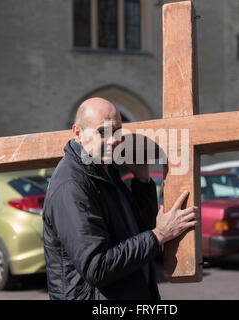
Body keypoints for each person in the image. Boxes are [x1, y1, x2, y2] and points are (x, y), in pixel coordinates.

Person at [42, 97, 199, 300]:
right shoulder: (71, 185)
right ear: (78, 134)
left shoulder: (104, 170)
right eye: (102, 132)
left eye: (117, 131)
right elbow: (97, 267)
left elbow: (137, 232)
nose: (114, 139)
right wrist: (159, 235)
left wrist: (142, 181)